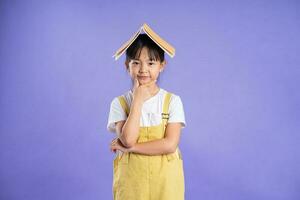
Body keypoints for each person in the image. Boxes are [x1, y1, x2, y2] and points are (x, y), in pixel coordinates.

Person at [107, 24, 186, 200]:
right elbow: (127, 139)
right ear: (127, 66)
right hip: (132, 186)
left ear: (162, 65)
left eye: (151, 63)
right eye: (136, 63)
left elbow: (169, 144)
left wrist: (132, 148)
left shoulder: (172, 101)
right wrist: (138, 100)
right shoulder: (119, 103)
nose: (143, 70)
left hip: (166, 185)